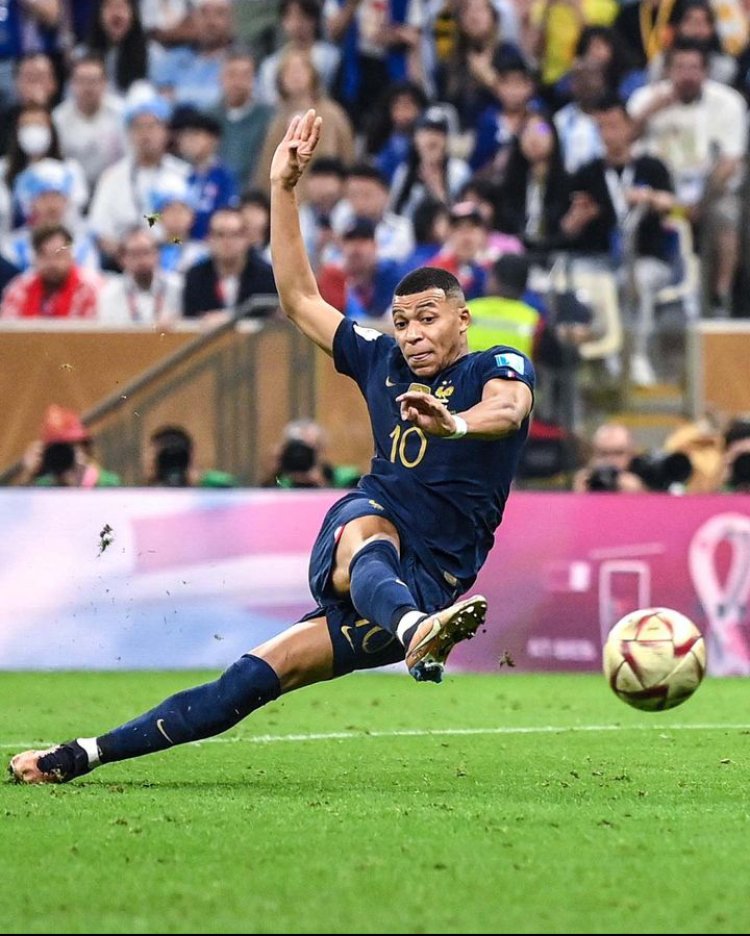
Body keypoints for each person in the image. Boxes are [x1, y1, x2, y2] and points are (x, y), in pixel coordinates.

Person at [8, 109, 534, 785]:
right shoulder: (381, 359)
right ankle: (415, 633)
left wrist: (453, 424)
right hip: (375, 532)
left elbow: (509, 409)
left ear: (463, 319)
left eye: (427, 319)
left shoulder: (496, 365)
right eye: (402, 321)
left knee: (250, 681)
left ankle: (79, 755)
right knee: (367, 531)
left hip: (437, 581)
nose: (412, 335)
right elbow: (298, 298)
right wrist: (283, 190)